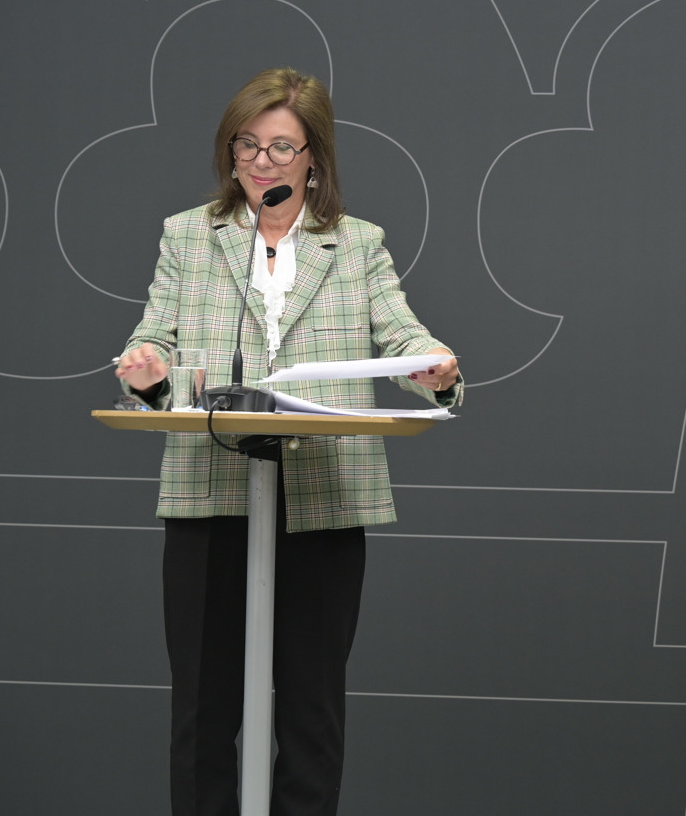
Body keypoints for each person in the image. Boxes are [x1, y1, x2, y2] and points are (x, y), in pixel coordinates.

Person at [116, 67, 461, 816]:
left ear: (314, 157)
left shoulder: (357, 244)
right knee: (203, 711)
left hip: (324, 494)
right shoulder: (189, 235)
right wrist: (147, 370)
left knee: (311, 712)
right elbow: (155, 337)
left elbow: (402, 333)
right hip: (210, 490)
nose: (261, 162)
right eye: (246, 144)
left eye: (280, 147)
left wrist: (434, 367)